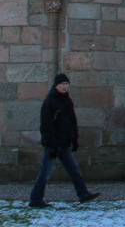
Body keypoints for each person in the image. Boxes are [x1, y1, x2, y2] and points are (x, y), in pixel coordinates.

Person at [28, 73, 100, 208]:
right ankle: (35, 199)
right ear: (56, 85)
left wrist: (74, 139)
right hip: (53, 144)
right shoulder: (50, 102)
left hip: (64, 142)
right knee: (46, 171)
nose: (65, 86)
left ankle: (83, 194)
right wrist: (51, 143)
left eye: (67, 84)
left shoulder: (67, 101)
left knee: (73, 168)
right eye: (62, 84)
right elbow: (46, 125)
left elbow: (72, 121)